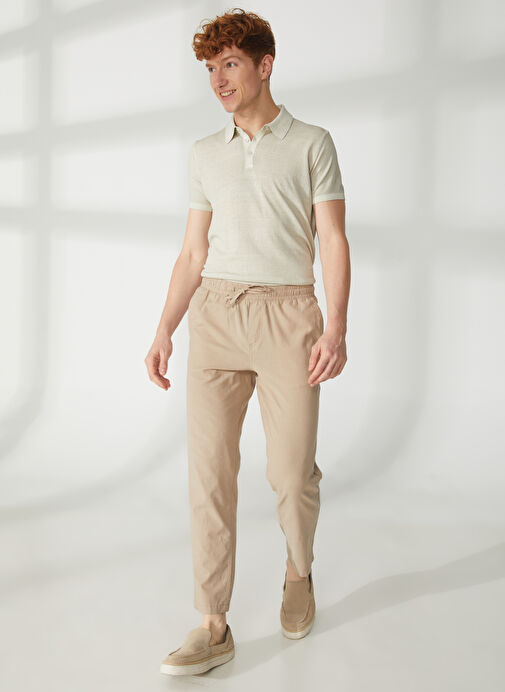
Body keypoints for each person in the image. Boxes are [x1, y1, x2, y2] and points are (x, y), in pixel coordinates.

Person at [145, 8, 350, 676]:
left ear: (265, 65)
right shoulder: (205, 153)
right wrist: (164, 328)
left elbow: (331, 239)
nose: (218, 80)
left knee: (291, 473)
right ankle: (213, 623)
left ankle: (298, 570)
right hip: (215, 316)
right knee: (209, 475)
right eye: (211, 68)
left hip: (288, 316)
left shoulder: (312, 143)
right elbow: (192, 251)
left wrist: (337, 326)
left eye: (230, 64)